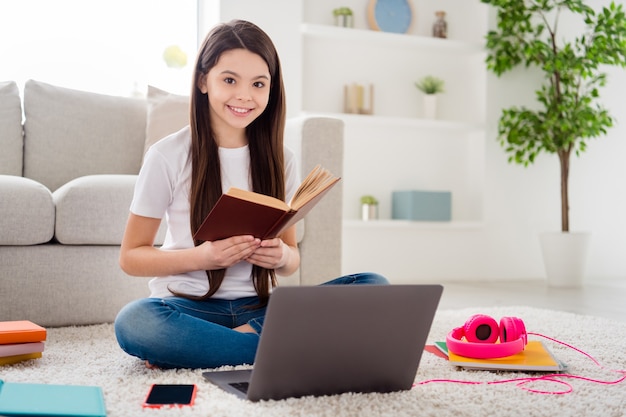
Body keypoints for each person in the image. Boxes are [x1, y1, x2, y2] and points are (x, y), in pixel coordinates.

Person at [114, 19, 389, 370]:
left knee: (373, 287)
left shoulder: (280, 159)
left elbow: (291, 260)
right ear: (203, 81)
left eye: (259, 84)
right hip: (189, 306)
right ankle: (279, 347)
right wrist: (204, 258)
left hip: (261, 308)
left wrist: (280, 258)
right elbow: (131, 257)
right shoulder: (167, 155)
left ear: (271, 90)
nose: (245, 96)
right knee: (136, 322)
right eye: (229, 80)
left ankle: (230, 345)